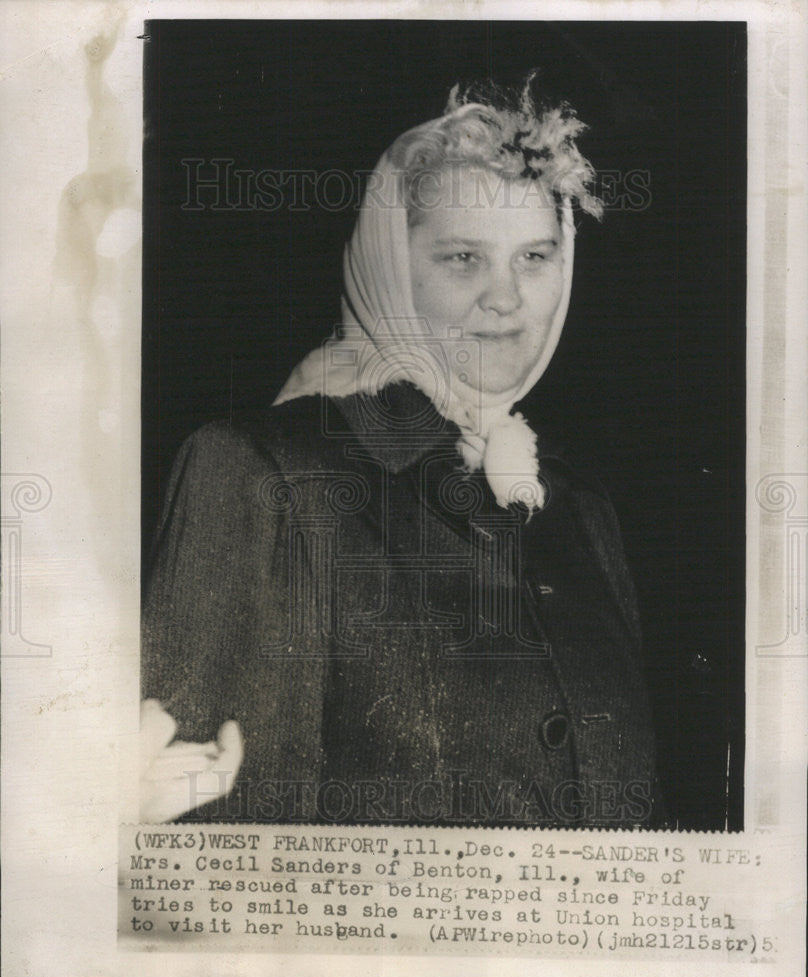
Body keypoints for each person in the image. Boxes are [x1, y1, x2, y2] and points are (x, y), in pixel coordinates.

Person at [140, 76, 664, 828]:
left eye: (535, 257)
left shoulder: (578, 504)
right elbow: (216, 866)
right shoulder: (262, 474)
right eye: (462, 258)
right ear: (389, 264)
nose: (507, 298)